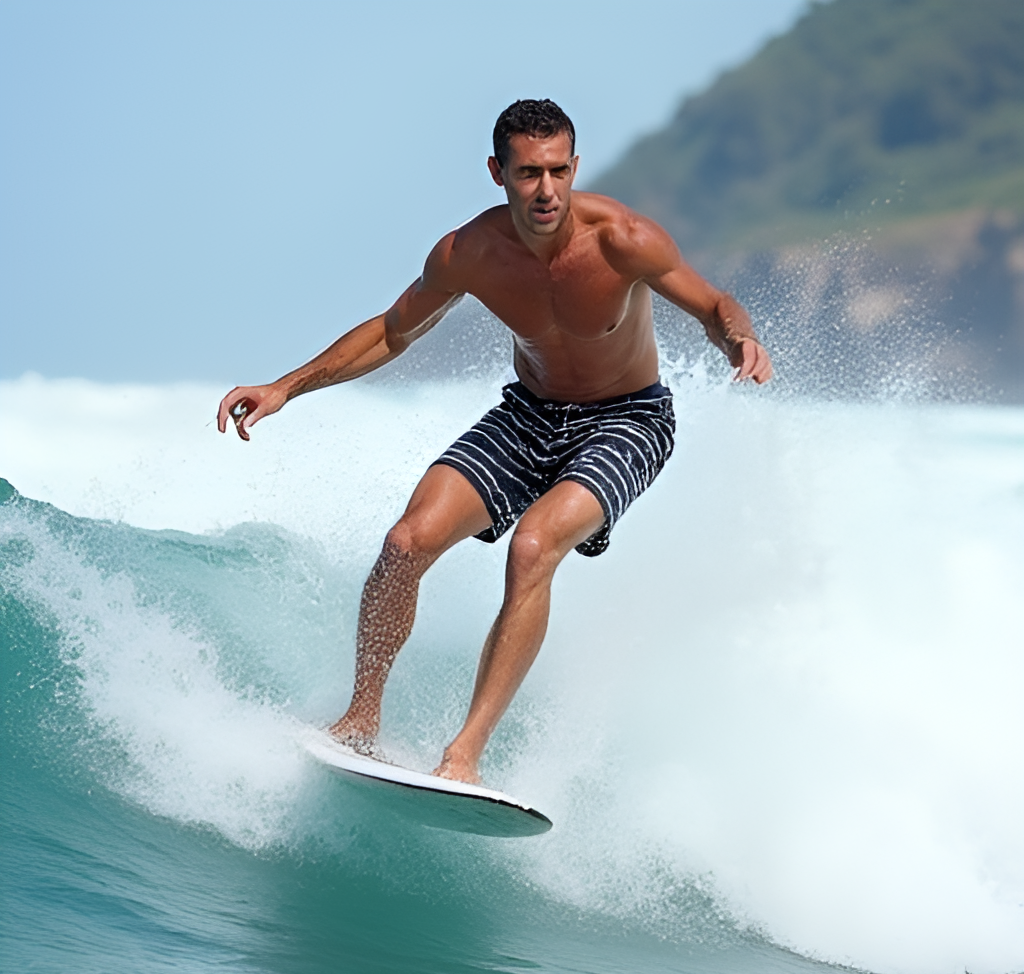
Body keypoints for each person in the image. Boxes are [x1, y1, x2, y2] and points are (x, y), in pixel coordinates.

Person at [217, 99, 772, 784]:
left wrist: (739, 339)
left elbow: (715, 305)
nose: (546, 190)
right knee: (405, 543)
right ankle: (359, 720)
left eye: (559, 171)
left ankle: (464, 754)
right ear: (497, 172)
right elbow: (393, 331)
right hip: (529, 413)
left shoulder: (623, 239)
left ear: (575, 167)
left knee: (532, 547)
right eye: (529, 173)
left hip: (629, 419)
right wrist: (285, 387)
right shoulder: (470, 253)